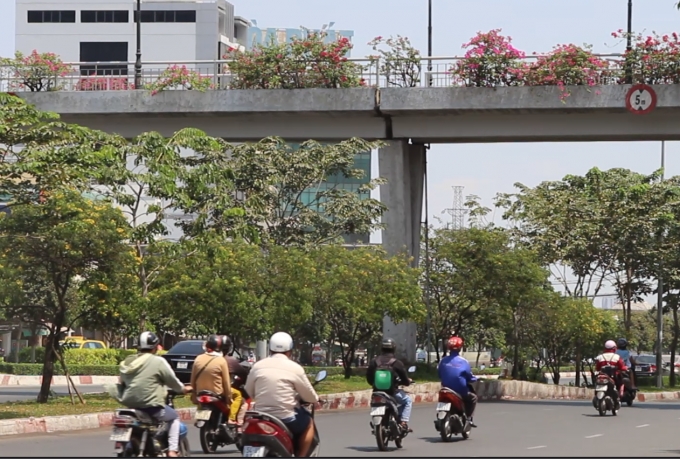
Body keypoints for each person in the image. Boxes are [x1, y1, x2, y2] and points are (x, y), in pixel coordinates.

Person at [245, 332, 320, 457]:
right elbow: (308, 396)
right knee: (309, 422)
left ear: (270, 349)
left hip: (261, 415)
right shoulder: (295, 368)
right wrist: (315, 399)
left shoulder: (257, 366)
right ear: (290, 351)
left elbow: (249, 391)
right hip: (285, 417)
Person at [118, 331, 192, 458]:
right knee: (174, 417)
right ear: (155, 347)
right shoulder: (158, 361)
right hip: (151, 406)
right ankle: (172, 451)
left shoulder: (129, 361)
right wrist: (183, 389)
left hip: (131, 406)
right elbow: (172, 381)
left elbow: (121, 381)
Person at [366, 338, 413, 432]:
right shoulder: (397, 363)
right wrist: (407, 382)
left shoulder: (374, 361)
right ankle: (403, 423)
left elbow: (369, 378)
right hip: (393, 393)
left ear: (381, 348)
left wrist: (374, 384)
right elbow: (404, 379)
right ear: (394, 348)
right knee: (408, 401)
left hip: (377, 392)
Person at [438, 336, 478, 427]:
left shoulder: (442, 361)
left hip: (446, 389)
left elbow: (439, 374)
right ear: (460, 348)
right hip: (461, 391)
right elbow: (470, 377)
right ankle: (469, 419)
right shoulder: (464, 361)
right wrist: (475, 379)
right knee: (473, 398)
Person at [190, 335, 232, 415]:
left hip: (200, 394)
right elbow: (226, 383)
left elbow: (192, 380)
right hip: (217, 396)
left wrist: (194, 395)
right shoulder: (221, 361)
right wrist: (228, 399)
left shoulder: (198, 358)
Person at [220, 335, 250, 430]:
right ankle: (238, 424)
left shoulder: (208, 358)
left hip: (208, 388)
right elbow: (242, 373)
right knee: (241, 400)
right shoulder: (229, 360)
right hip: (222, 389)